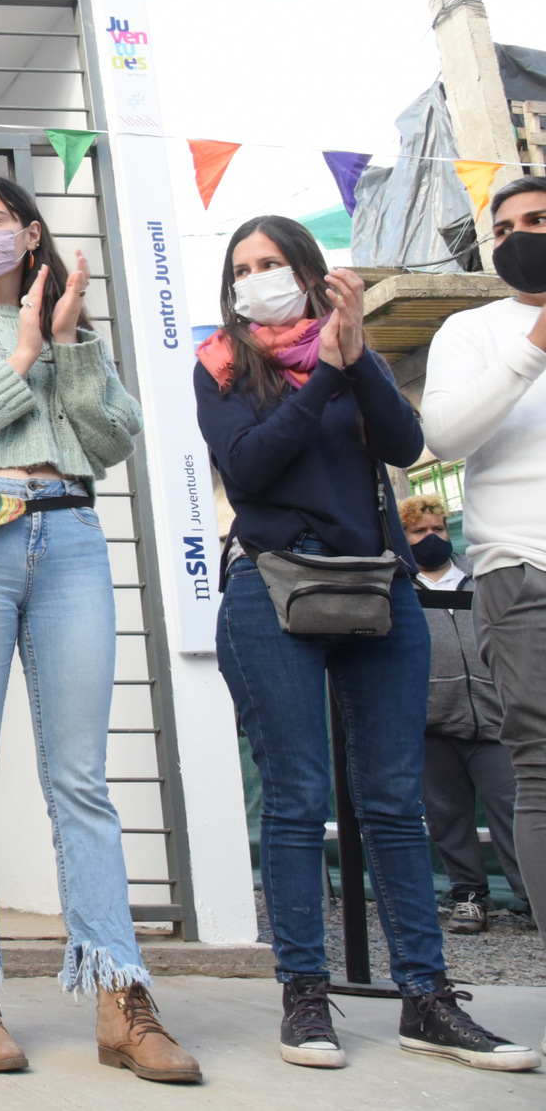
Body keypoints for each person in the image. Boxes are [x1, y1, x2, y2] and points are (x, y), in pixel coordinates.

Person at [199, 214, 535, 1074]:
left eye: (273, 261)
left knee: (393, 799)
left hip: (379, 591)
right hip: (272, 588)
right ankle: (305, 994)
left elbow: (406, 443)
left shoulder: (356, 357)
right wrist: (319, 383)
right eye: (244, 267)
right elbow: (250, 468)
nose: (258, 277)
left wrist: (354, 359)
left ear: (311, 273)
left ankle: (427, 996)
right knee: (298, 792)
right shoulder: (223, 365)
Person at [0, 176, 195, 1083]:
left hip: (69, 534)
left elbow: (113, 438)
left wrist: (66, 344)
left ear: (29, 234)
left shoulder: (72, 331)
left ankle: (119, 991)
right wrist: (20, 358)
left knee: (82, 777)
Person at [420, 174, 546, 947]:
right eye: (504, 229)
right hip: (522, 571)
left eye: (536, 220)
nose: (519, 235)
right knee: (537, 768)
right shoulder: (473, 331)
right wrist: (530, 349)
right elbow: (445, 434)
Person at [401, 492, 526, 933]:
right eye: (419, 531)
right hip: (432, 722)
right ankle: (469, 897)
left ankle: (532, 895)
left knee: (515, 808)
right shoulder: (400, 584)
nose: (431, 537)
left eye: (437, 529)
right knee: (448, 816)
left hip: (496, 717)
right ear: (404, 535)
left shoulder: (481, 578)